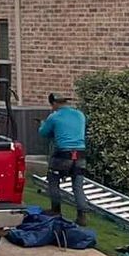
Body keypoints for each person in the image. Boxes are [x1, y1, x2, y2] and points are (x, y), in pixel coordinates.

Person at [38, 92, 90, 224]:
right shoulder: (80, 115)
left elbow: (43, 133)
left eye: (52, 105)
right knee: (77, 186)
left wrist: (42, 124)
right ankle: (82, 215)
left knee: (53, 180)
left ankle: (55, 210)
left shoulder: (54, 117)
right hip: (80, 154)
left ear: (55, 103)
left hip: (62, 154)